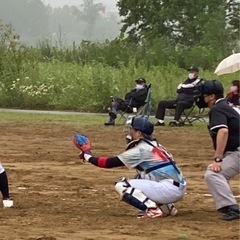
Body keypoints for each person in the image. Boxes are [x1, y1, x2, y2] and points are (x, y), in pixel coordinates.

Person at [73, 115, 186, 219]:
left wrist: (87, 155)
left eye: (132, 129)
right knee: (139, 176)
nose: (129, 132)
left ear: (139, 133)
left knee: (122, 185)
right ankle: (167, 208)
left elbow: (110, 163)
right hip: (175, 187)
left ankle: (152, 209)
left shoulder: (142, 149)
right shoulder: (155, 145)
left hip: (168, 189)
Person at [196, 80, 240, 221]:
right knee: (218, 173)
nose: (202, 98)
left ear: (211, 96)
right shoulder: (225, 105)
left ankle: (232, 208)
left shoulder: (217, 108)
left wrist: (218, 159)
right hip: (235, 150)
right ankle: (228, 205)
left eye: (204, 95)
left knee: (213, 174)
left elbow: (223, 131)